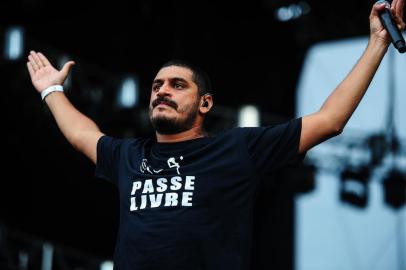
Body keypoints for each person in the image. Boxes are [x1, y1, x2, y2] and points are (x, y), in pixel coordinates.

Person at [26, 1, 404, 269]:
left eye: (177, 85)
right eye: (157, 85)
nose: (161, 90)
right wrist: (51, 90)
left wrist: (377, 42)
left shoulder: (237, 148)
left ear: (205, 104)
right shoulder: (129, 156)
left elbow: (330, 120)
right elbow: (81, 134)